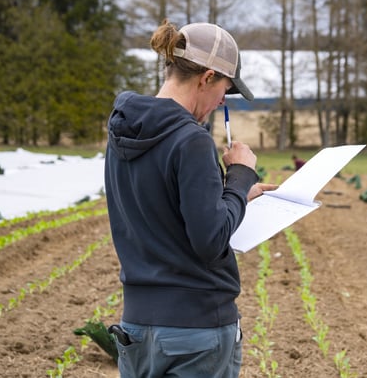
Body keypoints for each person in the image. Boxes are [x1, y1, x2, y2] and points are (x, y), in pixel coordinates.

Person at [104, 20, 276, 377]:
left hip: (137, 329)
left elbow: (163, 208)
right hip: (195, 332)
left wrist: (238, 195)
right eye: (224, 90)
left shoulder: (122, 132)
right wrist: (241, 174)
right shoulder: (191, 140)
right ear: (207, 77)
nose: (221, 102)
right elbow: (209, 239)